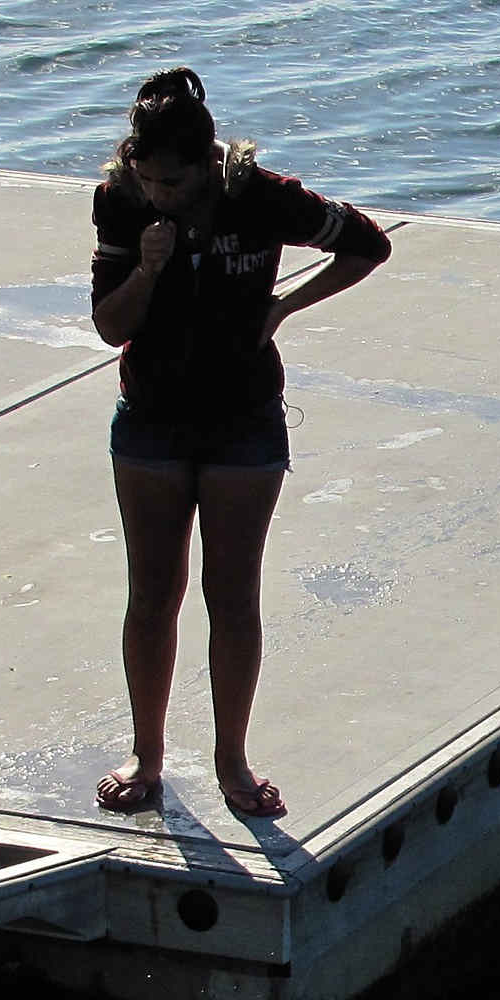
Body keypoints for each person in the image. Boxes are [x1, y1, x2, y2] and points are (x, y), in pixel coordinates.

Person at [91, 69, 391, 816]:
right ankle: (147, 754)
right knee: (152, 595)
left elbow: (367, 246)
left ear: (207, 163)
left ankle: (232, 761)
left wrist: (284, 305)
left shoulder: (262, 197)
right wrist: (149, 267)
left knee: (232, 596)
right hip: (152, 418)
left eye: (173, 181)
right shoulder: (119, 201)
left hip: (243, 421)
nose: (158, 193)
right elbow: (109, 326)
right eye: (147, 177)